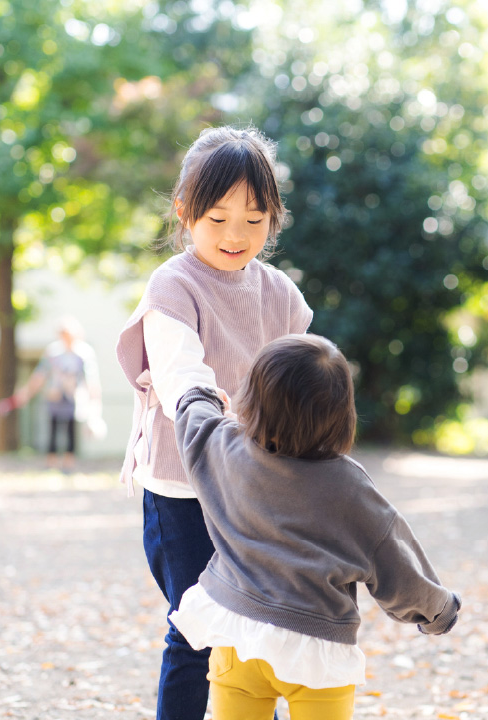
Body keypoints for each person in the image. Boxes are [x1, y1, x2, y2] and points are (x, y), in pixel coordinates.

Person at [115, 125, 313, 720]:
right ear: (185, 211)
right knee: (195, 625)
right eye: (219, 218)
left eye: (255, 221)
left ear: (273, 220)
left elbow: (300, 381)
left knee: (261, 624)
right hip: (185, 485)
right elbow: (182, 379)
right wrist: (222, 430)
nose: (236, 235)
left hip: (260, 485)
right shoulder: (174, 285)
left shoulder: (279, 292)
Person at [169, 334, 460, 720]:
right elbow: (395, 562)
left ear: (252, 402)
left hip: (238, 637)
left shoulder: (227, 450)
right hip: (315, 652)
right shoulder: (349, 487)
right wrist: (437, 611)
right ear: (342, 415)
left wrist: (198, 396)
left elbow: (194, 422)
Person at [13, 316, 103, 471]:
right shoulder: (53, 352)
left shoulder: (84, 353)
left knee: (70, 430)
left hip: (74, 398)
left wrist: (94, 403)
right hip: (54, 396)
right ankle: (51, 461)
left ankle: (69, 462)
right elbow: (40, 375)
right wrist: (26, 392)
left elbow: (91, 380)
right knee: (53, 428)